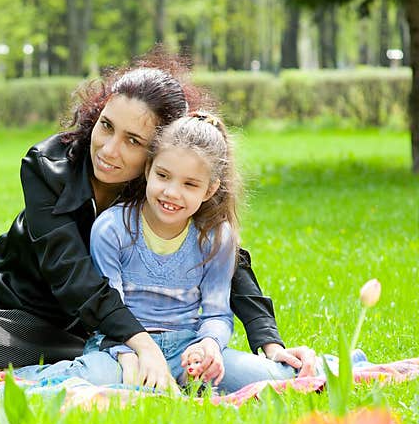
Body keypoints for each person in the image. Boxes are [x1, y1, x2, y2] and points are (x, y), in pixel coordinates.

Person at [0, 52, 316, 386]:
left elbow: (228, 257)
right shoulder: (48, 166)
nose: (108, 149)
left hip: (82, 326)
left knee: (50, 353)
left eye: (133, 141)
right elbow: (70, 273)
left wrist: (269, 344)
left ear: (160, 152)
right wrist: (139, 342)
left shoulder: (166, 185)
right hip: (5, 293)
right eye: (107, 127)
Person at [21, 111, 310, 393]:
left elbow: (217, 313)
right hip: (123, 350)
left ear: (210, 190)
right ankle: (17, 379)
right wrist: (129, 354)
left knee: (277, 378)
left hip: (187, 348)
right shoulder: (112, 228)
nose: (172, 192)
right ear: (148, 171)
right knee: (87, 380)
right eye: (163, 175)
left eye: (190, 184)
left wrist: (208, 345)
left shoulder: (216, 237)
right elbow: (109, 309)